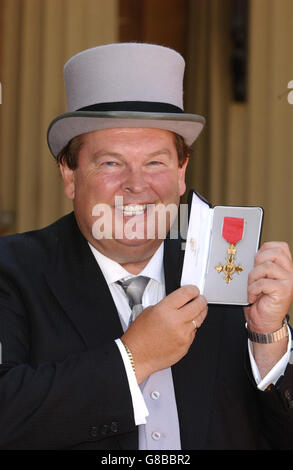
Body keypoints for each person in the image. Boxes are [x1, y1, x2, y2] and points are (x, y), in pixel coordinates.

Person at [0, 42, 293, 450]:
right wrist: (134, 358)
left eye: (155, 162)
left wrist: (268, 339)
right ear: (69, 175)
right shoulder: (12, 271)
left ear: (180, 172)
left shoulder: (226, 269)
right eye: (110, 163)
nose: (136, 185)